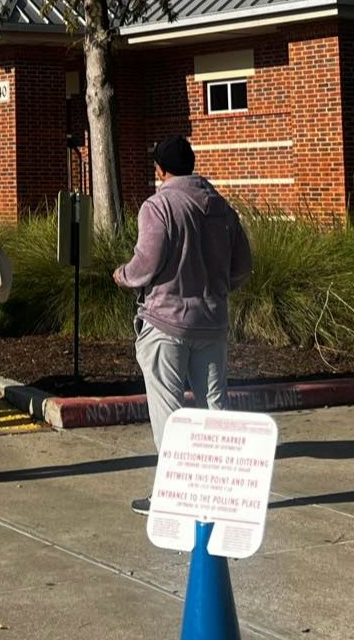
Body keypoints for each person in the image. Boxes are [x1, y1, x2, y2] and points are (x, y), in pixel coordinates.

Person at [115, 135, 252, 515]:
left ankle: (173, 494)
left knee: (169, 411)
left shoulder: (158, 206)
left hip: (166, 322)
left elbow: (146, 263)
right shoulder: (221, 206)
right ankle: (219, 491)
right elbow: (242, 266)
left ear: (160, 170)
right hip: (212, 320)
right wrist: (219, 288)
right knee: (214, 407)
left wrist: (123, 275)